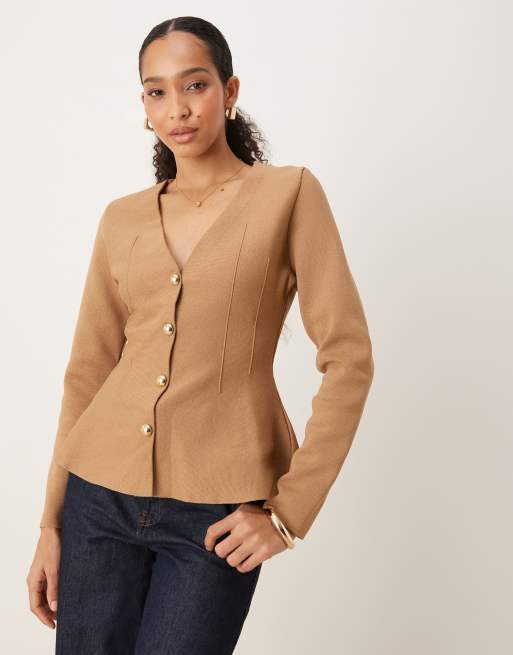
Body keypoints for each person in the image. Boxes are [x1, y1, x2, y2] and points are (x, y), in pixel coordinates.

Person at [26, 15, 374, 655]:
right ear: (143, 106)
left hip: (216, 516)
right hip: (97, 502)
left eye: (195, 85)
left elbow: (349, 358)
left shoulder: (288, 194)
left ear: (229, 90)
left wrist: (288, 513)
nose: (177, 109)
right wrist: (51, 525)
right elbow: (88, 373)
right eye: (156, 91)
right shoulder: (121, 219)